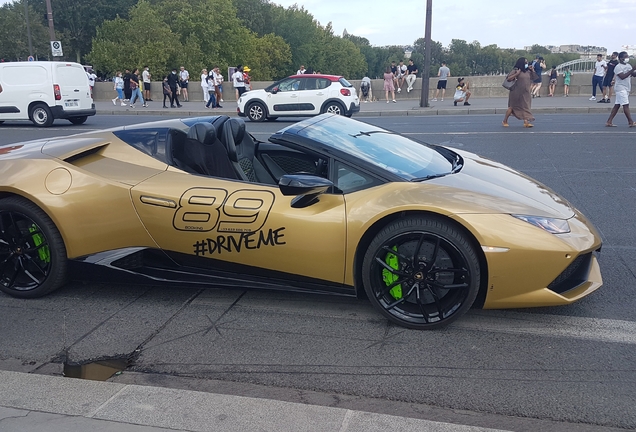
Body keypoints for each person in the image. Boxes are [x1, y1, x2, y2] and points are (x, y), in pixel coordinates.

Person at [502, 57, 538, 128]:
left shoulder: (528, 71)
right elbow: (508, 79)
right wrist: (517, 74)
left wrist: (532, 70)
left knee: (525, 107)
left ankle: (526, 122)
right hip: (516, 92)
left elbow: (535, 78)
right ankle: (505, 120)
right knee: (512, 107)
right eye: (525, 63)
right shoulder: (516, 70)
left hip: (525, 92)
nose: (527, 64)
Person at [605, 51, 635, 127]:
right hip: (620, 88)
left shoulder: (628, 65)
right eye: (625, 57)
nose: (627, 58)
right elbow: (622, 76)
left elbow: (633, 74)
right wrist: (632, 70)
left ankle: (609, 121)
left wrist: (633, 70)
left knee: (617, 105)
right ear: (621, 58)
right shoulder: (618, 67)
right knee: (625, 105)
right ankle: (630, 122)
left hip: (626, 87)